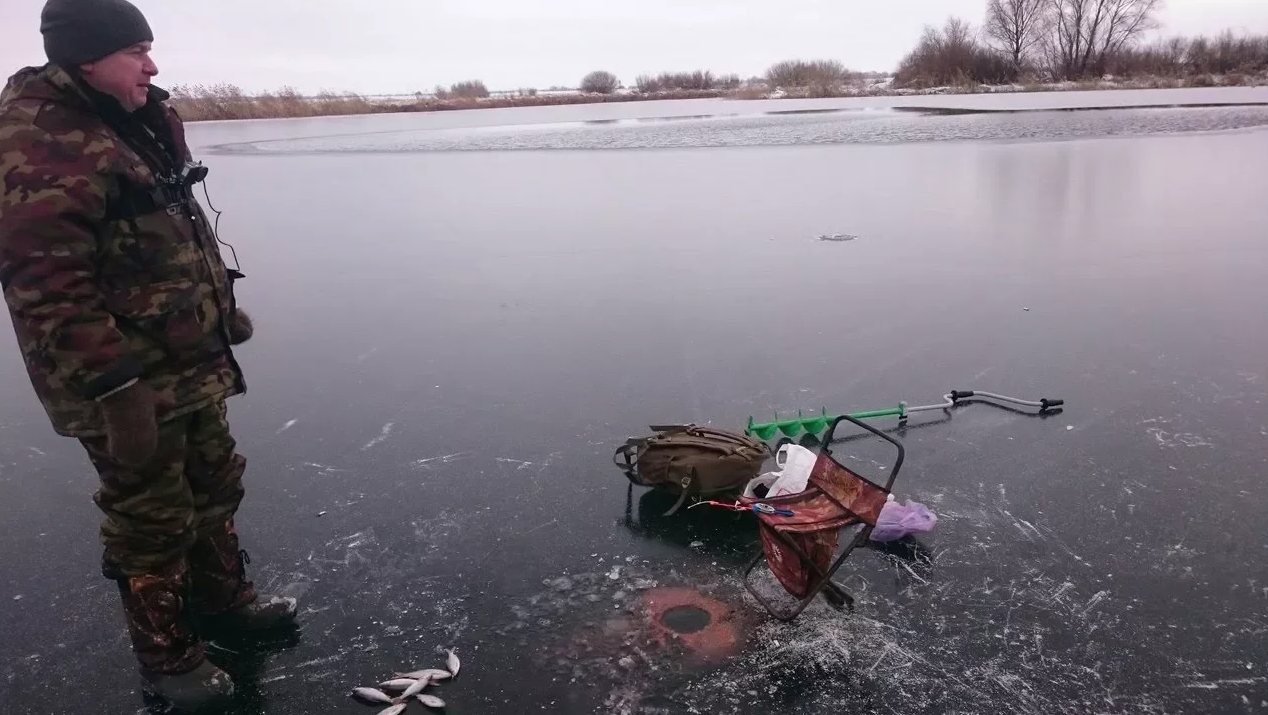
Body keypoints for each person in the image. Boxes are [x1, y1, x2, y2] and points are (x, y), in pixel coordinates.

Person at [0, 0, 298, 710]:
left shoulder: (136, 115)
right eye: (137, 51)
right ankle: (169, 659)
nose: (153, 65)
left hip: (184, 352)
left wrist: (219, 311)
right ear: (86, 58)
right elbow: (47, 285)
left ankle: (226, 603)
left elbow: (173, 224)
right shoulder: (37, 139)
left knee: (214, 479)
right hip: (121, 375)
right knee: (151, 511)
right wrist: (114, 386)